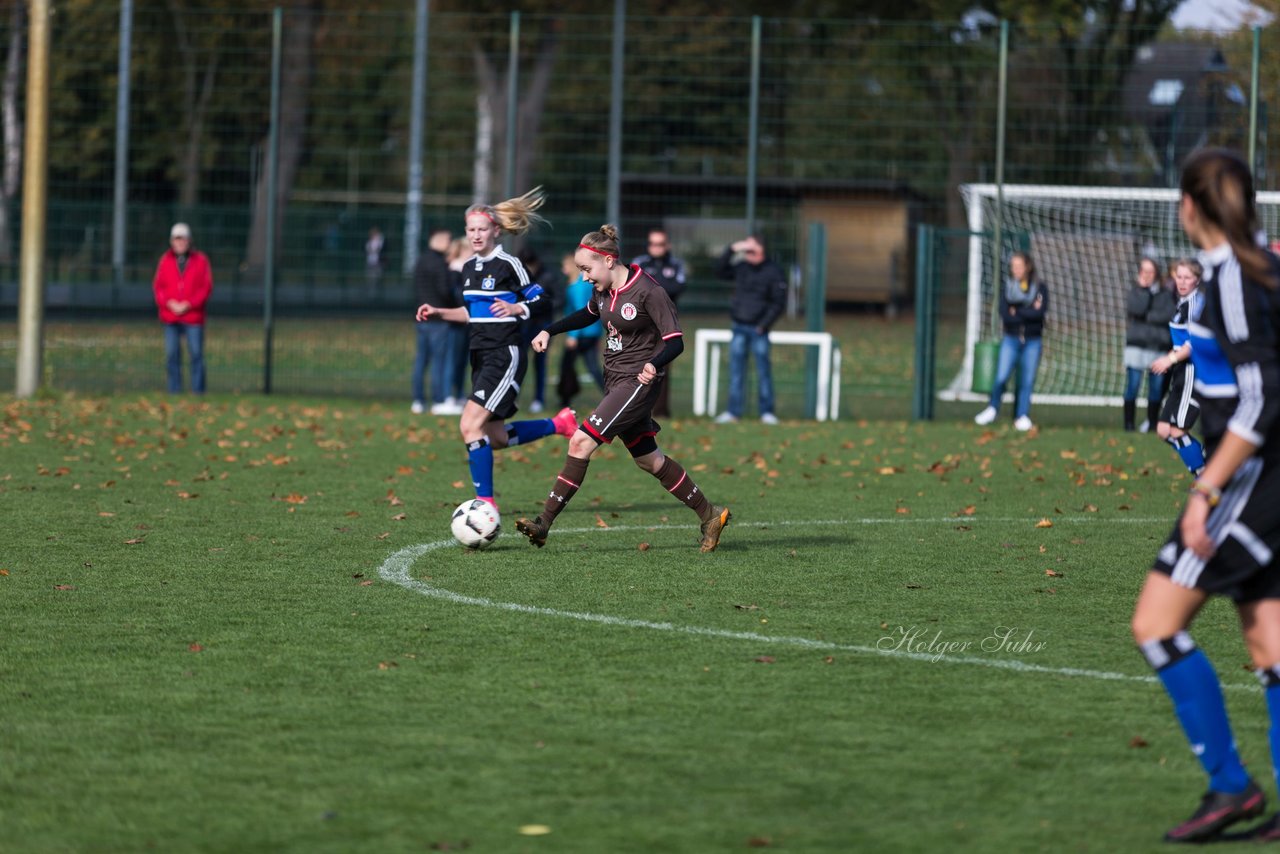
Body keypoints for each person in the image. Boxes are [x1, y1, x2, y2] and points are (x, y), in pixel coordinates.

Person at [1130, 148, 1280, 843]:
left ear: (1189, 207)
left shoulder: (1232, 282)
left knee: (1156, 626)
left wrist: (1207, 489)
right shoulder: (1259, 269)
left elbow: (1258, 396)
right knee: (1270, 646)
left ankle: (1229, 785)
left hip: (1253, 484)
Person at [515, 224, 732, 553]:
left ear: (609, 260)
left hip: (637, 383)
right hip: (615, 381)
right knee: (650, 460)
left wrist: (653, 364)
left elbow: (676, 342)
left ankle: (544, 523)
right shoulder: (602, 291)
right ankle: (710, 515)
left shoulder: (649, 291)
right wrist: (550, 330)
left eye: (587, 269)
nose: (585, 277)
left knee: (580, 440)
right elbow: (587, 315)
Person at [413, 188, 577, 510]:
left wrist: (518, 309)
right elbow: (471, 314)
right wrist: (439, 312)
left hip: (505, 354)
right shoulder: (468, 269)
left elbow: (541, 299)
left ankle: (485, 503)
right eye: (471, 229)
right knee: (496, 438)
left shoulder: (508, 264)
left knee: (469, 425)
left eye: (482, 229)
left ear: (495, 231)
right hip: (481, 355)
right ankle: (559, 424)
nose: (476, 235)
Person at [714, 235, 787, 424]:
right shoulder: (742, 268)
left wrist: (764, 324)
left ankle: (767, 412)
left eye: (751, 249)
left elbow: (779, 303)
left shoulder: (774, 271)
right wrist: (732, 248)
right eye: (745, 250)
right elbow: (719, 271)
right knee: (736, 372)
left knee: (764, 372)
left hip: (759, 329)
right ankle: (733, 412)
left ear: (761, 249)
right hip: (739, 326)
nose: (747, 253)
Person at [973, 251, 1048, 431]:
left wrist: (1019, 311)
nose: (1015, 269)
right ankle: (992, 408)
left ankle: (1022, 415)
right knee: (1001, 376)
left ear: (1027, 267)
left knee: (1026, 381)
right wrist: (1027, 311)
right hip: (1011, 338)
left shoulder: (1040, 288)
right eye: (1013, 266)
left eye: (1019, 266)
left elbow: (1039, 314)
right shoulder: (1008, 287)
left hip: (1032, 340)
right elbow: (1006, 315)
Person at [1149, 257, 1207, 475]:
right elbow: (1180, 342)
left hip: (1192, 371)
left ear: (1197, 280)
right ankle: (1203, 460)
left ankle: (1206, 477)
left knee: (1177, 430)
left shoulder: (1195, 304)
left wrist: (1170, 359)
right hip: (1180, 371)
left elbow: (1194, 343)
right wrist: (1170, 357)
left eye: (1188, 277)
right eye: (1179, 276)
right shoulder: (1182, 301)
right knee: (1164, 430)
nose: (1182, 281)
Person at [152, 222, 213, 394]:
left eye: (183, 239)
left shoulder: (200, 261)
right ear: (172, 241)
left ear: (189, 241)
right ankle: (174, 391)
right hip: (170, 316)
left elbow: (205, 287)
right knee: (172, 355)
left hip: (193, 316)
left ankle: (198, 391)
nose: (180, 243)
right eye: (176, 239)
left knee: (196, 354)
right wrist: (169, 303)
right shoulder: (165, 261)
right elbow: (158, 287)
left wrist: (189, 304)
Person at [632, 229, 687, 417]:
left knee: (662, 366)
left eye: (661, 244)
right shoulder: (640, 263)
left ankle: (661, 411)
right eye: (653, 244)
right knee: (637, 364)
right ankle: (636, 408)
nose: (657, 248)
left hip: (666, 323)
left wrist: (652, 286)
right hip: (642, 322)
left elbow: (678, 286)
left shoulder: (676, 264)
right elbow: (633, 286)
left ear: (667, 245)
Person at [411, 228, 462, 416]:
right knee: (440, 361)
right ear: (438, 240)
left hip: (421, 318)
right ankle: (440, 400)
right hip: (438, 319)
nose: (450, 244)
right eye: (448, 240)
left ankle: (418, 400)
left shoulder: (420, 261)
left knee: (421, 360)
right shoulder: (440, 263)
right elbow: (444, 291)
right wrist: (454, 306)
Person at [1123, 256, 1178, 432]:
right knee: (1133, 386)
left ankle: (1152, 423)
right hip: (1136, 345)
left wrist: (1147, 317)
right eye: (1143, 271)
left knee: (1156, 389)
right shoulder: (1135, 291)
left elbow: (1167, 315)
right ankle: (1129, 425)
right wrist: (1144, 291)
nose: (1146, 275)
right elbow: (1135, 310)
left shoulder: (1166, 294)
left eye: (1150, 271)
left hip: (1158, 347)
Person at [556, 252, 605, 408]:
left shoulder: (576, 287)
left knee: (566, 367)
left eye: (564, 267)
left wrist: (573, 336)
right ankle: (611, 395)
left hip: (580, 334)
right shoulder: (585, 284)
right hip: (592, 333)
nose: (563, 270)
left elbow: (579, 312)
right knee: (593, 368)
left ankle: (565, 401)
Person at [517, 248, 557, 413]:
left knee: (540, 363)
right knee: (518, 362)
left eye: (530, 265)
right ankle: (513, 397)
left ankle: (539, 399)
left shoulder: (547, 276)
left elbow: (558, 298)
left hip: (542, 325)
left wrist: (541, 307)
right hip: (524, 325)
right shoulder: (518, 277)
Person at [444, 237, 472, 406]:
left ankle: (459, 393)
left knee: (463, 360)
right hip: (456, 322)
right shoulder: (455, 270)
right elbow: (457, 296)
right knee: (452, 360)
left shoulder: (470, 269)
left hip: (468, 323)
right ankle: (448, 395)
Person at [365, 227, 385, 295]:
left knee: (378, 278)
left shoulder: (380, 241)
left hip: (378, 262)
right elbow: (368, 250)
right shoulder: (369, 242)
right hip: (371, 262)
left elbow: (379, 248)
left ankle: (378, 293)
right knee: (371, 278)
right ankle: (371, 293)